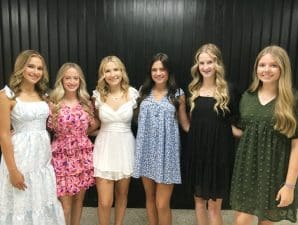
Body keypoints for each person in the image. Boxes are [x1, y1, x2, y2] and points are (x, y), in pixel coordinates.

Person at [230, 45, 298, 225]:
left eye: (273, 65)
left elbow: (297, 145)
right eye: (262, 65)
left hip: (275, 171)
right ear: (256, 68)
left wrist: (289, 185)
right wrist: (222, 126)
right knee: (241, 221)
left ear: (282, 68)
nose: (266, 70)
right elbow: (245, 132)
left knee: (267, 222)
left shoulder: (293, 100)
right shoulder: (248, 96)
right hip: (246, 171)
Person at [0, 50, 65, 225]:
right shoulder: (7, 96)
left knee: (41, 202)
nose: (35, 71)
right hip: (20, 159)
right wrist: (13, 171)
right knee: (21, 203)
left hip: (42, 160)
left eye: (39, 68)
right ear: (20, 68)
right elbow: (4, 135)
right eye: (30, 66)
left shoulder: (44, 96)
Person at [185, 43, 239, 225]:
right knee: (199, 203)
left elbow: (236, 123)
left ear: (218, 64)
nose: (206, 67)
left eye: (210, 62)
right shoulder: (193, 90)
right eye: (202, 63)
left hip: (218, 154)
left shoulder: (229, 90)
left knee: (214, 208)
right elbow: (193, 123)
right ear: (197, 66)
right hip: (197, 152)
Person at [133, 53, 189, 225]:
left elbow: (185, 124)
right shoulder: (143, 91)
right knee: (149, 198)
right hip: (146, 152)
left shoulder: (178, 94)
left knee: (162, 203)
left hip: (167, 154)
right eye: (154, 69)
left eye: (162, 69)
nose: (158, 73)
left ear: (168, 71)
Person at [47, 63, 98, 225]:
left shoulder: (86, 102)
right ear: (61, 80)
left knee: (78, 201)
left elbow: (95, 123)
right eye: (67, 78)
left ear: (80, 80)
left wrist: (81, 136)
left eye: (75, 78)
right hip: (61, 157)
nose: (71, 81)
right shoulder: (52, 102)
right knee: (65, 205)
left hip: (82, 157)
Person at [92, 56, 138, 225]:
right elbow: (95, 123)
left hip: (125, 147)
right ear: (103, 74)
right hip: (104, 148)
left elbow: (140, 119)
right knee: (104, 201)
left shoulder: (133, 94)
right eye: (108, 70)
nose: (112, 74)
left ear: (122, 71)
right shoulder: (97, 96)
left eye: (116, 69)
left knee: (122, 195)